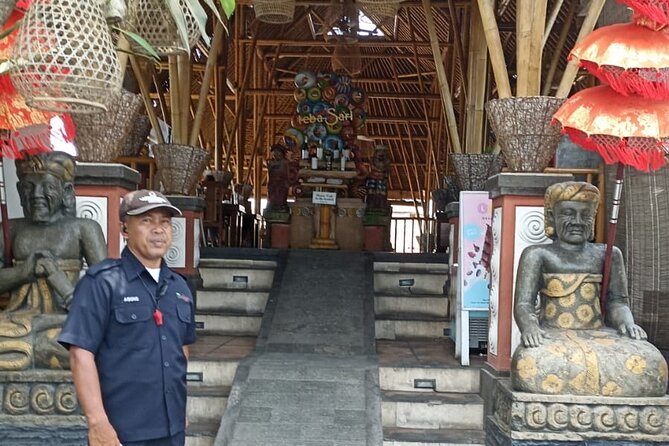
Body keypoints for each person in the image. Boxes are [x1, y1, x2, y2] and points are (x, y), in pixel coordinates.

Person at [58, 189, 197, 446]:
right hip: (121, 432)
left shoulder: (180, 287)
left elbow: (181, 349)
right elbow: (81, 353)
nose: (158, 230)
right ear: (124, 228)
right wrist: (97, 422)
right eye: (146, 220)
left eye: (165, 222)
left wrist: (181, 407)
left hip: (171, 428)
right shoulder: (103, 282)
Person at [512, 181, 668, 397]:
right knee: (529, 363)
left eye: (585, 215)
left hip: (599, 333)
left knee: (652, 362)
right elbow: (523, 304)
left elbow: (618, 302)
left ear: (593, 218)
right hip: (554, 334)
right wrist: (530, 328)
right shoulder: (537, 254)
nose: (577, 221)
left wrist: (627, 324)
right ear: (551, 217)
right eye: (568, 213)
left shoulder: (609, 254)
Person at [0, 151, 107, 370]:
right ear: (20, 191)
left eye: (47, 186)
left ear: (66, 191)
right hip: (15, 321)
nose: (36, 194)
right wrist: (24, 272)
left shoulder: (84, 229)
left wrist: (58, 279)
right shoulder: (10, 228)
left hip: (64, 322)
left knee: (71, 344)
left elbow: (104, 291)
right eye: (29, 186)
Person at [266, 143, 291, 211]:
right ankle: (273, 206)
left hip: (282, 183)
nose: (276, 155)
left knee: (281, 196)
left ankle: (281, 206)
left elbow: (288, 173)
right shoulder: (271, 162)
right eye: (274, 153)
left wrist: (288, 181)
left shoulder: (285, 162)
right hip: (273, 183)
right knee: (272, 196)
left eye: (278, 153)